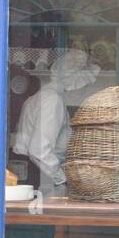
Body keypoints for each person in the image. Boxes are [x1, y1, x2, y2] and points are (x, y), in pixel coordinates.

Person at [12, 49, 99, 197]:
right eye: (84, 84)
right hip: (40, 176)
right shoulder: (52, 100)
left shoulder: (40, 97)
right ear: (74, 83)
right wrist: (62, 179)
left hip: (31, 172)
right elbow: (39, 150)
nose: (85, 89)